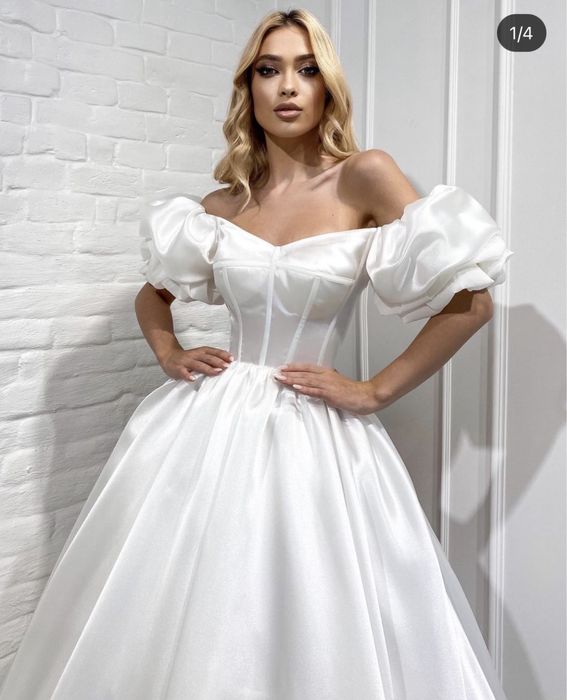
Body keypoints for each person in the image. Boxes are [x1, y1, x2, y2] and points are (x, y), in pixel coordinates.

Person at [0, 8, 513, 700]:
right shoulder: (220, 206)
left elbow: (470, 303)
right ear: (249, 88)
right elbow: (151, 298)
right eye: (269, 70)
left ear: (328, 86)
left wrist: (374, 390)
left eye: (306, 69)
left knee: (316, 605)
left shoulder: (364, 176)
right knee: (187, 607)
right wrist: (170, 352)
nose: (287, 86)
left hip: (314, 432)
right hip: (206, 428)